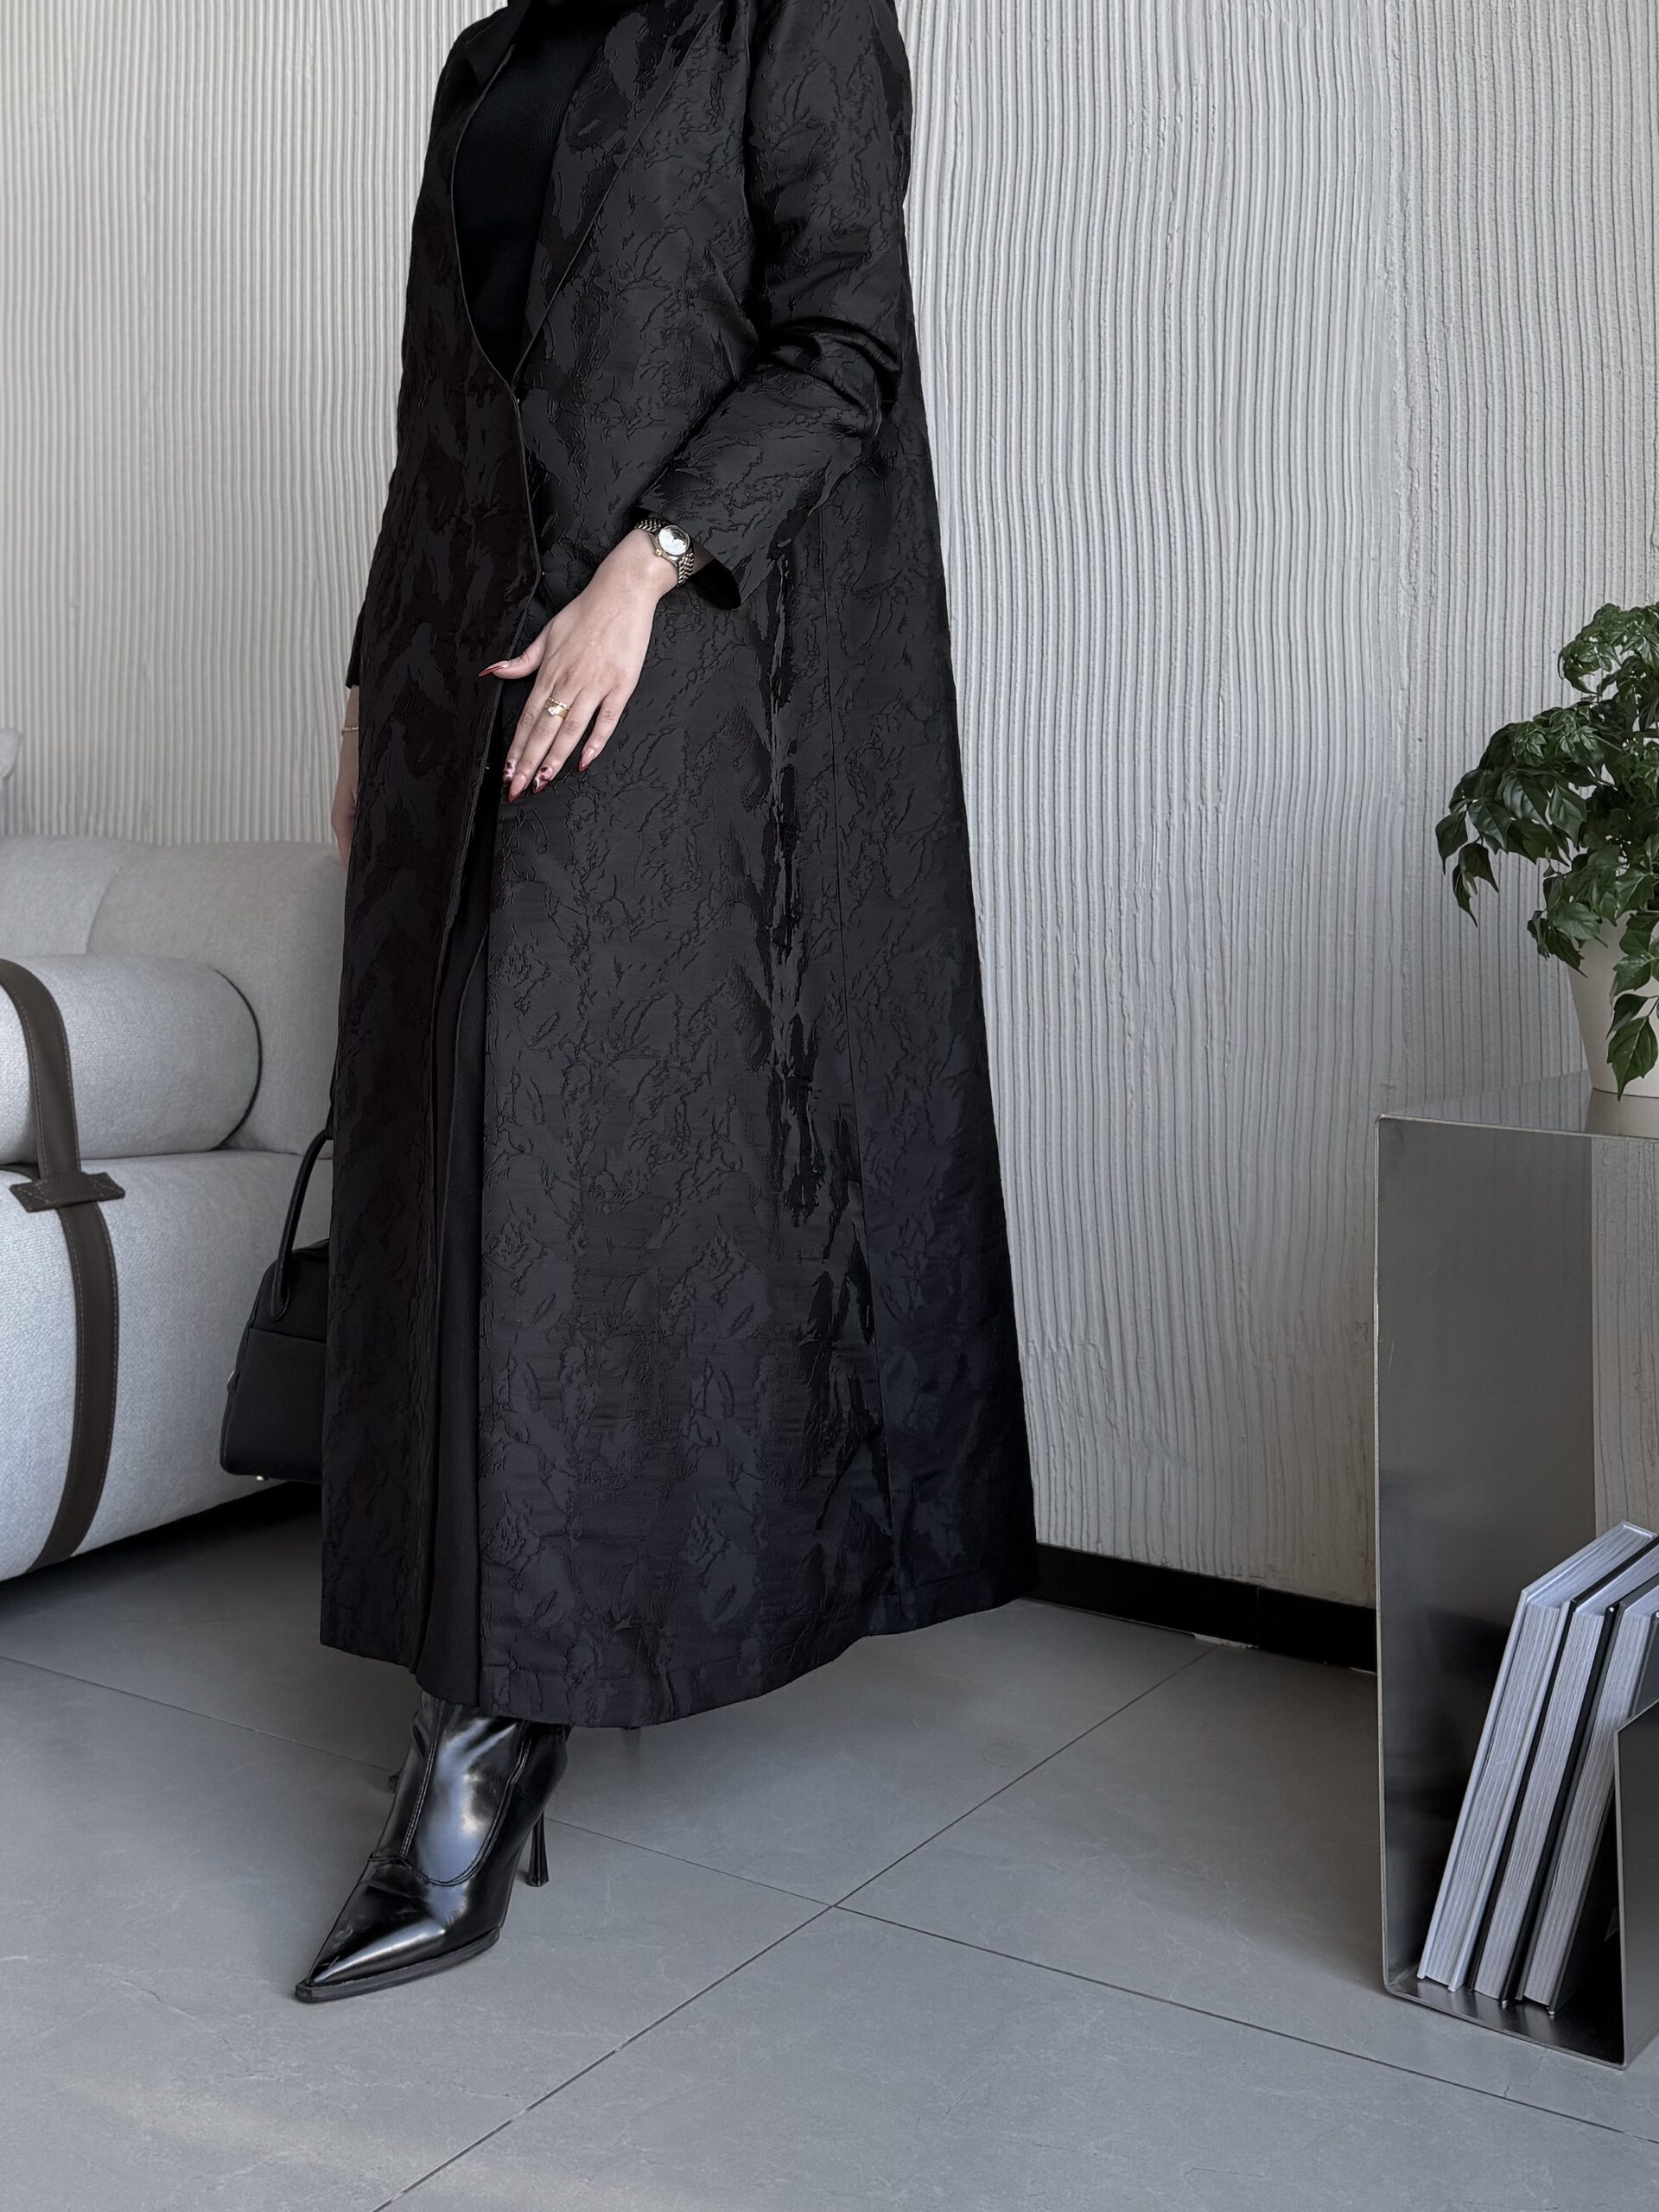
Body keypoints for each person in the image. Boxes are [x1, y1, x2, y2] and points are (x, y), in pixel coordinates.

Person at [300, 0, 1035, 2004]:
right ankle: (492, 1672)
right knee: (447, 1163)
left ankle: (482, 1746)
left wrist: (644, 569)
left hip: (668, 665)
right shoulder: (488, 57)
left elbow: (843, 339)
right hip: (461, 662)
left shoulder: (791, 19)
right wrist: (369, 675)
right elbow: (439, 405)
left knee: (556, 1163)